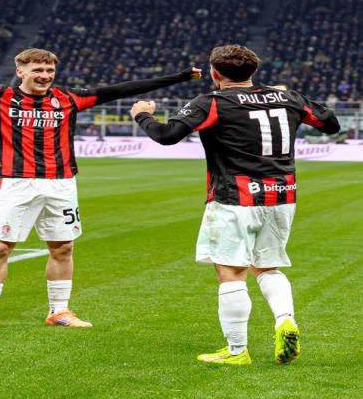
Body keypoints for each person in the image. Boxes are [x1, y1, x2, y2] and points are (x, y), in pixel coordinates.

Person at [0, 49, 201, 330]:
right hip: (15, 182)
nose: (45, 75)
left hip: (61, 183)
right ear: (20, 71)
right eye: (38, 70)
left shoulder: (69, 99)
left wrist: (179, 77)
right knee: (0, 247)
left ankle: (58, 311)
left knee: (63, 248)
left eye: (49, 70)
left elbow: (122, 89)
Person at [130, 44, 340, 365]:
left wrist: (142, 114)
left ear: (215, 73)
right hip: (281, 195)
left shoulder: (213, 102)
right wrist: (288, 101)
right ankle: (285, 319)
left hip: (235, 197)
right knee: (267, 267)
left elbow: (167, 135)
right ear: (253, 70)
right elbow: (331, 124)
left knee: (231, 271)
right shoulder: (288, 97)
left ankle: (237, 351)